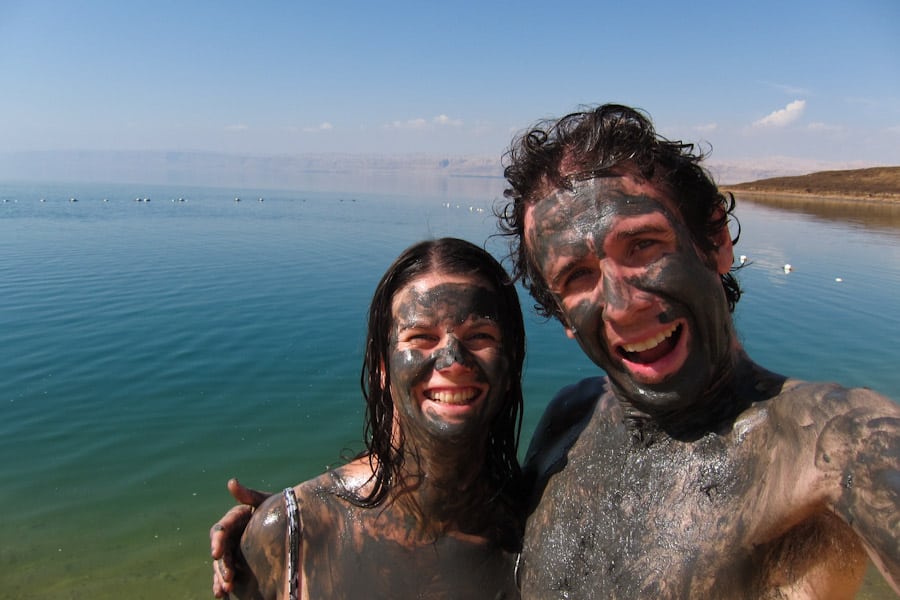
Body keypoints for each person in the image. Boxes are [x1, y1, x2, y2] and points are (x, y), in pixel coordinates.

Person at [212, 104, 900, 599]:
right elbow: (451, 474)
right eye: (576, 277)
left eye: (645, 246)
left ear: (714, 239)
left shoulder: (832, 442)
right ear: (563, 319)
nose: (623, 304)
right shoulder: (571, 421)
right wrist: (311, 522)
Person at [213, 237, 526, 599]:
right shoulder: (293, 534)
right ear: (383, 368)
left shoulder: (537, 533)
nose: (454, 361)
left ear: (511, 364)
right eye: (421, 337)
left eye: (480, 336)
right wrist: (266, 525)